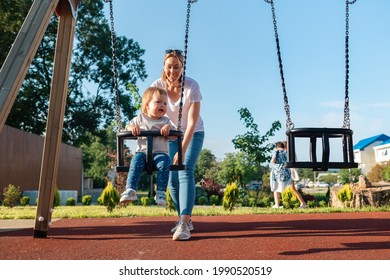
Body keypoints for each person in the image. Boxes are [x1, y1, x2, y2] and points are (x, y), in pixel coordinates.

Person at [151, 49, 204, 241]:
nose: (173, 70)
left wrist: (182, 149)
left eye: (177, 67)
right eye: (169, 66)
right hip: (170, 135)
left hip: (193, 132)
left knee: (185, 169)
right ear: (164, 67)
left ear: (182, 67)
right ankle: (184, 217)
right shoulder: (157, 86)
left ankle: (184, 222)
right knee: (172, 180)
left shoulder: (192, 86)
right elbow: (150, 111)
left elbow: (191, 122)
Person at [120, 86, 176, 207]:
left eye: (165, 103)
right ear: (147, 105)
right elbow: (127, 127)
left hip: (160, 153)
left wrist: (169, 129)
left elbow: (174, 135)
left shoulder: (166, 121)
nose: (162, 105)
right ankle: (130, 190)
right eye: (158, 102)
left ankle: (160, 192)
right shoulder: (139, 118)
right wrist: (132, 128)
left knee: (165, 163)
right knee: (135, 161)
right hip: (142, 153)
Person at [283, 141, 307, 208]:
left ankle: (302, 203)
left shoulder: (289, 153)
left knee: (291, 188)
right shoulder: (291, 152)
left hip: (291, 172)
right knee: (292, 188)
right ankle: (302, 203)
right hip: (291, 171)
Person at [270, 141, 291, 208]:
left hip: (277, 173)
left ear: (277, 146)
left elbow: (272, 162)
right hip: (286, 172)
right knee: (285, 188)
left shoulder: (276, 152)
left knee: (276, 188)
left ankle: (277, 204)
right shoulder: (287, 152)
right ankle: (286, 203)